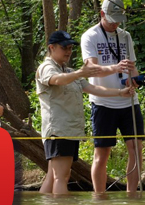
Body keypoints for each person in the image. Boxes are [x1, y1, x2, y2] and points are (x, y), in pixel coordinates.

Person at [36, 30, 134, 194]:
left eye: (70, 48)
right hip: (58, 131)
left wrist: (119, 92)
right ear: (51, 47)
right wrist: (81, 72)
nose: (68, 51)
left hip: (68, 131)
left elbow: (92, 88)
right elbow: (56, 80)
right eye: (64, 47)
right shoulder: (47, 67)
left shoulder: (68, 71)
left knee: (53, 177)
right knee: (62, 177)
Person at [80, 0, 144, 193]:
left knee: (136, 148)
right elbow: (91, 68)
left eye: (118, 19)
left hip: (129, 102)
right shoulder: (90, 36)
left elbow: (132, 67)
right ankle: (99, 198)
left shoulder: (125, 36)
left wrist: (135, 80)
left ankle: (132, 196)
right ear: (102, 14)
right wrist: (116, 67)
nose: (115, 23)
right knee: (102, 152)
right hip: (103, 103)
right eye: (111, 19)